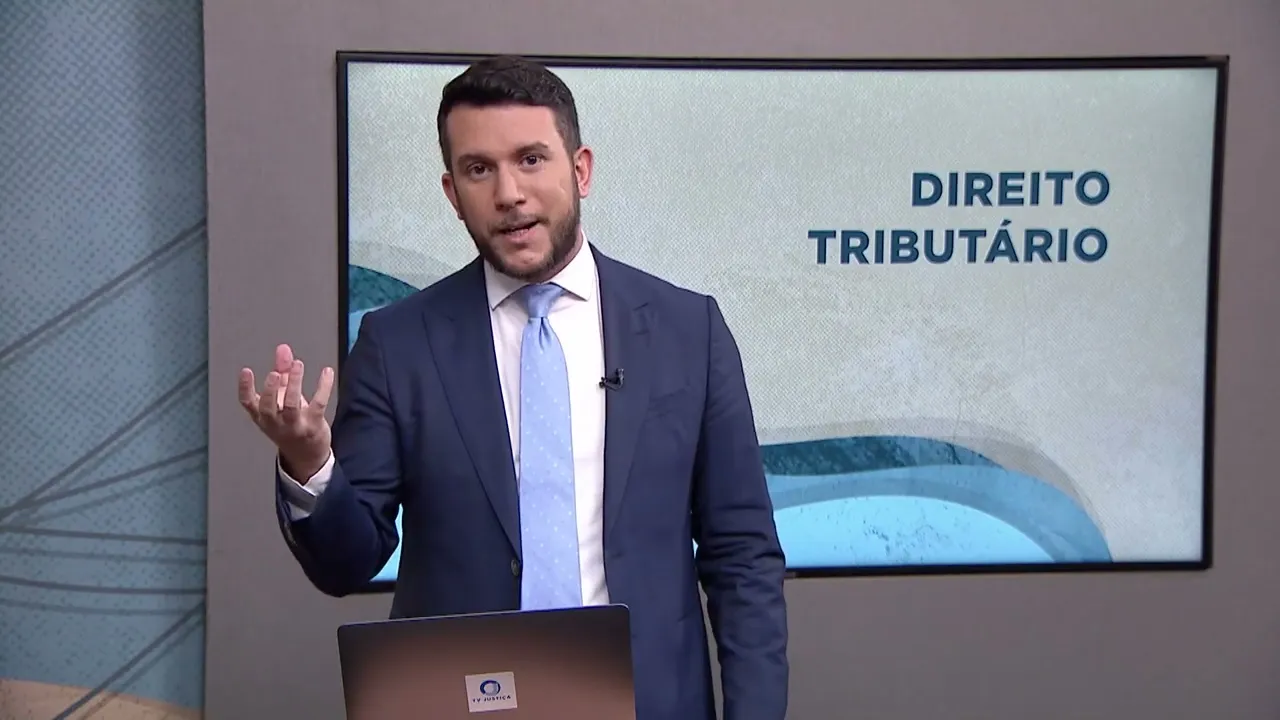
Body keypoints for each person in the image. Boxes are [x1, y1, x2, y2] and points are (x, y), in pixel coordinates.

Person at [237, 55, 788, 719]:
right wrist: (311, 465)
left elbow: (742, 556)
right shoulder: (398, 343)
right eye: (479, 169)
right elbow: (346, 564)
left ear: (580, 170)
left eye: (531, 160)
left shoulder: (687, 330)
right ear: (452, 193)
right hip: (462, 703)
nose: (508, 193)